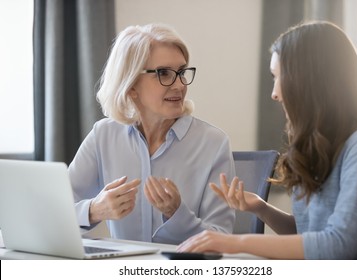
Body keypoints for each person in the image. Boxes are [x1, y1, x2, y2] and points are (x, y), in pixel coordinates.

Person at [178, 21, 357, 259]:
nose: (274, 93)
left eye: (279, 77)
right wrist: (262, 208)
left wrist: (234, 242)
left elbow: (336, 246)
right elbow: (308, 234)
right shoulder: (316, 146)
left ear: (310, 80)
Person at [68, 23, 235, 245]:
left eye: (181, 72)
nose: (179, 85)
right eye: (164, 73)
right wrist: (95, 210)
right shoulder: (103, 135)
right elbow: (56, 210)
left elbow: (222, 239)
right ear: (131, 84)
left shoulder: (214, 143)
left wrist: (177, 215)